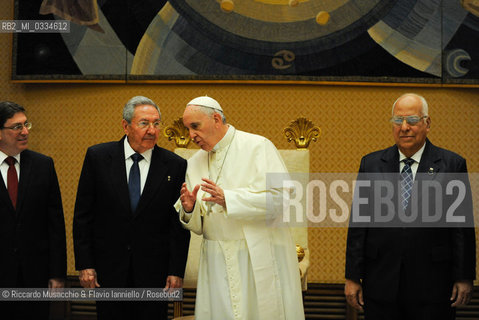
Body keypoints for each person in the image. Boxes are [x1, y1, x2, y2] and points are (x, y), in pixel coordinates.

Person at [345, 93, 476, 320]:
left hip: (433, 284)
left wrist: (464, 276)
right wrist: (352, 276)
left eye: (412, 120)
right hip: (381, 281)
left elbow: (461, 228)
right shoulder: (372, 164)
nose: (404, 127)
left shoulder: (451, 164)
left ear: (427, 123)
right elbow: (359, 224)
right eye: (398, 121)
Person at [175, 96, 305, 320]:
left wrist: (230, 199)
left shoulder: (257, 146)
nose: (191, 135)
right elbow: (198, 226)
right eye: (187, 128)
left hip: (256, 254)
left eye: (195, 126)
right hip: (216, 261)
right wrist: (190, 209)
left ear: (216, 119)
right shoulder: (194, 162)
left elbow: (282, 200)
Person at [73, 96, 190, 320]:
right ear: (125, 126)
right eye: (144, 123)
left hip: (154, 273)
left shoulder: (174, 165)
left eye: (156, 123)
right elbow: (83, 216)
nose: (152, 130)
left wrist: (176, 271)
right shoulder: (98, 157)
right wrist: (85, 264)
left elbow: (177, 224)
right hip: (108, 269)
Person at [0, 101, 66, 319]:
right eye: (17, 127)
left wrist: (57, 274)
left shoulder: (43, 165)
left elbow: (55, 224)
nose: (25, 131)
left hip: (34, 276)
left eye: (26, 124)